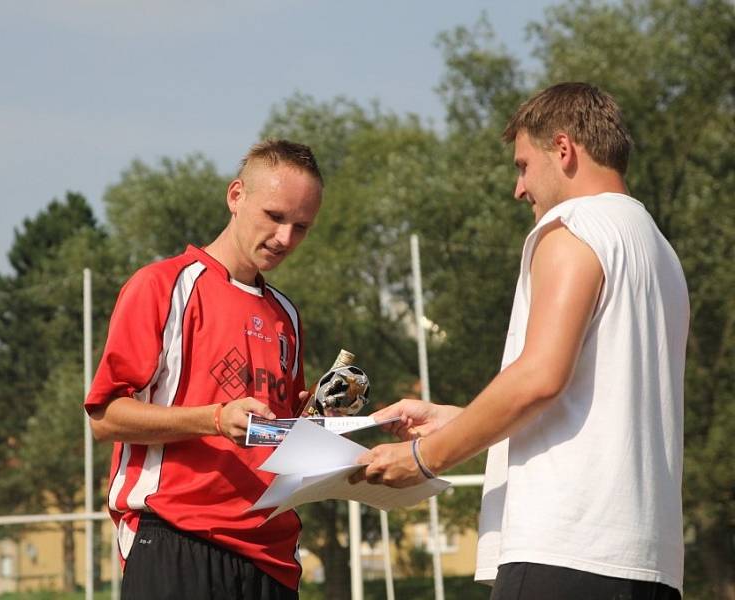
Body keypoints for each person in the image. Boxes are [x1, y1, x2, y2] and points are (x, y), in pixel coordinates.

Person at [356, 83, 688, 599]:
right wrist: (460, 418)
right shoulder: (658, 251)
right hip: (647, 562)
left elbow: (539, 378)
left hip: (564, 552)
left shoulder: (573, 227)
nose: (519, 189)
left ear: (563, 149)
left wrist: (424, 456)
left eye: (522, 165)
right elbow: (593, 399)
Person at [85, 139, 323, 600]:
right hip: (177, 539)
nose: (285, 239)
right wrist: (213, 419)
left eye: (301, 227)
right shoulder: (163, 285)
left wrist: (322, 427)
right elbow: (105, 417)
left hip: (272, 555)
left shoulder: (286, 316)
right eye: (274, 217)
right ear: (236, 196)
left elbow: (274, 435)